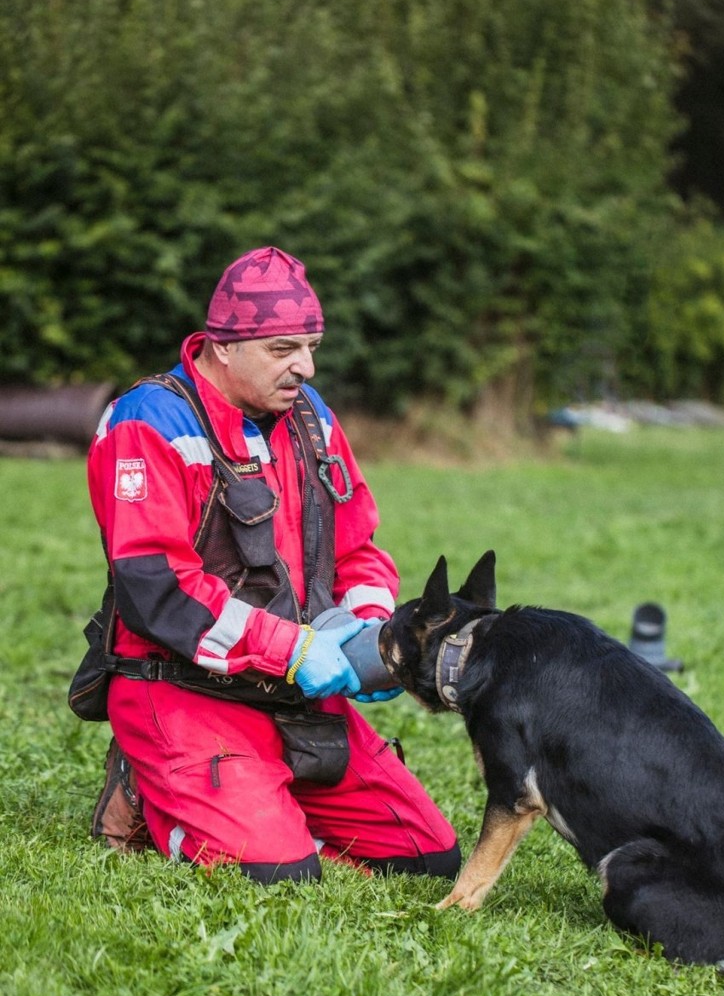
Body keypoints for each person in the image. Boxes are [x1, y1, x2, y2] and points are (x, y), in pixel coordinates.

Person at [84, 245, 460, 884]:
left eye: (311, 346)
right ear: (223, 346)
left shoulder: (312, 418)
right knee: (278, 873)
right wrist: (290, 649)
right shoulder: (148, 421)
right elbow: (158, 590)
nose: (305, 367)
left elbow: (358, 548)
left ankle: (261, 799)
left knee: (425, 857)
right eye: (283, 348)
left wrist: (369, 630)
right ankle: (149, 792)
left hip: (293, 695)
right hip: (181, 688)